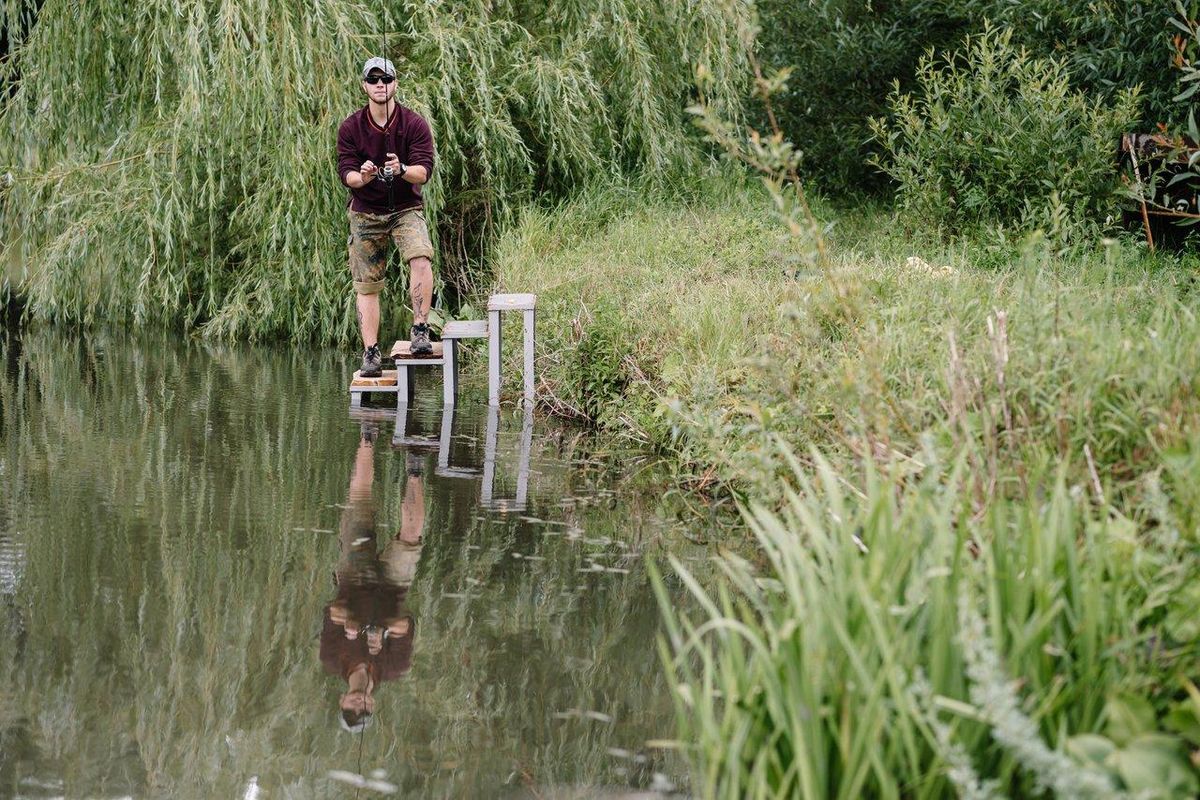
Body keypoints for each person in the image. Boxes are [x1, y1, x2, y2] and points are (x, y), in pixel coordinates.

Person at [321, 429, 427, 733]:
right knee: (411, 539)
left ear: (342, 700)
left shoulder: (332, 658)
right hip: (392, 588)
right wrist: (383, 630)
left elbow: (333, 612)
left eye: (351, 710)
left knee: (359, 502)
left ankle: (367, 436)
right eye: (363, 712)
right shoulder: (394, 667)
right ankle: (415, 469)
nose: (358, 706)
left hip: (354, 578)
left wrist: (351, 622)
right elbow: (405, 625)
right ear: (372, 705)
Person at [337, 56, 436, 378]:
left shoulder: (415, 124)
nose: (381, 85)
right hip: (365, 214)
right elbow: (347, 175)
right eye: (374, 79)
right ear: (364, 85)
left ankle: (420, 329)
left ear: (396, 83)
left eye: (387, 79)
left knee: (420, 257)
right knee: (367, 285)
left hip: (406, 209)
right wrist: (363, 176)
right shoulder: (351, 127)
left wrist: (403, 169)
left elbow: (423, 173)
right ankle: (371, 353)